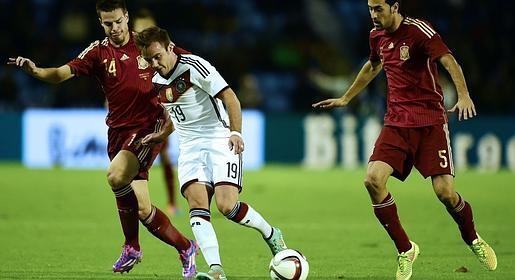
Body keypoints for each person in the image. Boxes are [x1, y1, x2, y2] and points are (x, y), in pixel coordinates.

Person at [7, 1, 197, 278]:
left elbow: (188, 67)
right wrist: (35, 71)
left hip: (147, 130)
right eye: (108, 23)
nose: (115, 28)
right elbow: (61, 73)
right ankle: (185, 247)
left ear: (127, 17)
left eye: (119, 21)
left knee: (116, 176)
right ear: (101, 23)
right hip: (117, 133)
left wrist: (172, 99)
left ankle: (131, 246)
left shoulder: (146, 44)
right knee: (143, 209)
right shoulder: (98, 52)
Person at [312, 0, 497, 279]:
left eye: (379, 9)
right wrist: (346, 97)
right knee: (372, 180)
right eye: (370, 9)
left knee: (445, 193)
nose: (373, 15)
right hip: (396, 123)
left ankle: (472, 238)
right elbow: (372, 66)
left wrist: (464, 95)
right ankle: (405, 248)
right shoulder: (376, 36)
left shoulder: (419, 31)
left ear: (395, 7)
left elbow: (449, 61)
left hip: (430, 123)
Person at [134, 26, 288, 280]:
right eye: (149, 59)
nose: (154, 63)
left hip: (219, 139)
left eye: (158, 56)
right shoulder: (155, 80)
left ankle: (272, 234)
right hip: (190, 147)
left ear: (170, 48)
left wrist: (236, 133)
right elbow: (177, 110)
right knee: (197, 205)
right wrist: (163, 134)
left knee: (226, 206)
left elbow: (231, 98)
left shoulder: (196, 67)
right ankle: (216, 270)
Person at [132, 8, 180, 216]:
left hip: (158, 112)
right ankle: (137, 205)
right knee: (131, 161)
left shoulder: (160, 54)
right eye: (139, 29)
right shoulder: (129, 54)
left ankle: (171, 202)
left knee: (165, 157)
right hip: (133, 113)